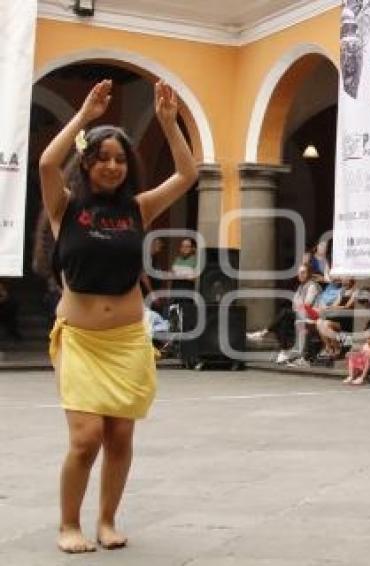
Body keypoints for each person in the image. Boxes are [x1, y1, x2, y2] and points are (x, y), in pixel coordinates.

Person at [39, 79, 197, 553]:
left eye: (120, 159)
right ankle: (69, 523)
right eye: (103, 157)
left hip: (128, 338)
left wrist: (170, 125)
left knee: (120, 436)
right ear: (87, 162)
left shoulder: (138, 208)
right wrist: (83, 117)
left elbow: (186, 176)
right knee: (86, 438)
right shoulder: (64, 206)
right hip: (81, 341)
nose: (112, 166)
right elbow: (48, 162)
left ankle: (107, 520)